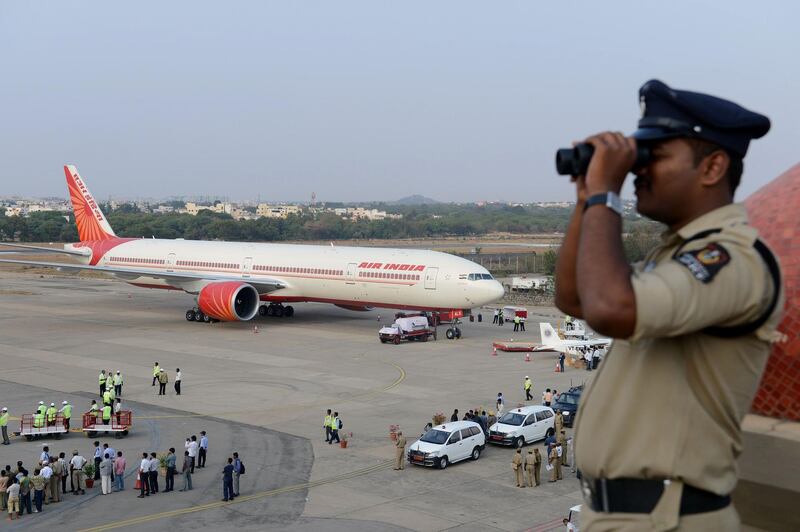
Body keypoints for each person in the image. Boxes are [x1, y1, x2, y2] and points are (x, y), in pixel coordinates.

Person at [555, 80, 783, 530]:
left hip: (666, 519)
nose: (638, 171)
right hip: (627, 515)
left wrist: (607, 193)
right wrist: (587, 197)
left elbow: (610, 309)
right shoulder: (674, 256)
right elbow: (575, 298)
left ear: (713, 167)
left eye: (653, 157)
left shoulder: (732, 259)